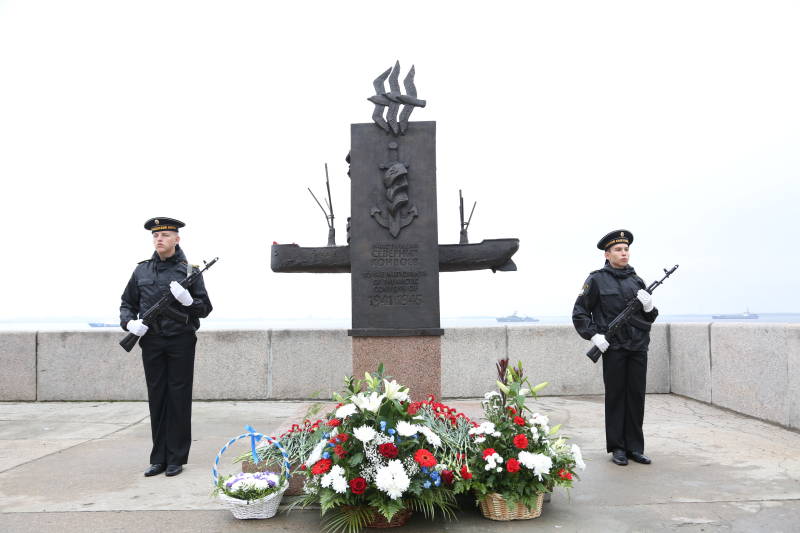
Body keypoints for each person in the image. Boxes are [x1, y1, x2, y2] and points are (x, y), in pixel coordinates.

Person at [120, 217, 212, 477]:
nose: (159, 239)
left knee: (178, 398)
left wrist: (188, 301)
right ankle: (158, 458)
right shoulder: (141, 271)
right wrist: (130, 324)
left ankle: (176, 458)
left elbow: (205, 308)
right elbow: (127, 303)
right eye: (155, 235)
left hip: (181, 340)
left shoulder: (189, 271)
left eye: (165, 235)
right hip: (152, 342)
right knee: (157, 397)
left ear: (176, 239)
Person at [572, 230, 658, 466]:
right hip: (614, 348)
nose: (624, 253)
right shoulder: (596, 280)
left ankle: (635, 448)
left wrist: (649, 307)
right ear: (607, 254)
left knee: (636, 397)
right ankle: (618, 448)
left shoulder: (637, 281)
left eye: (626, 249)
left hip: (638, 346)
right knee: (616, 397)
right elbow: (580, 312)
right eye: (618, 250)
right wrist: (594, 335)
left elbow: (648, 318)